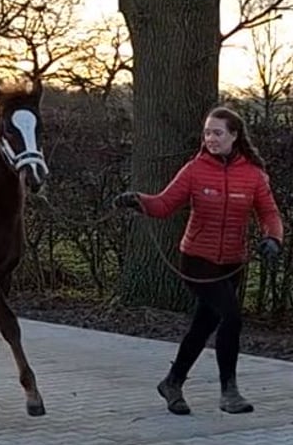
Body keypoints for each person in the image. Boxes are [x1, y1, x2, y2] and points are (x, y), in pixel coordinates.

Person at [113, 106, 283, 415]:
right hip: (196, 260)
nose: (211, 138)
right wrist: (139, 201)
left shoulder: (254, 175)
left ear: (234, 135)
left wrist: (272, 238)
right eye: (207, 132)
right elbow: (164, 204)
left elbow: (269, 213)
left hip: (232, 262)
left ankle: (172, 382)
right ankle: (229, 391)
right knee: (231, 316)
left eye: (217, 133)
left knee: (204, 324)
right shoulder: (194, 170)